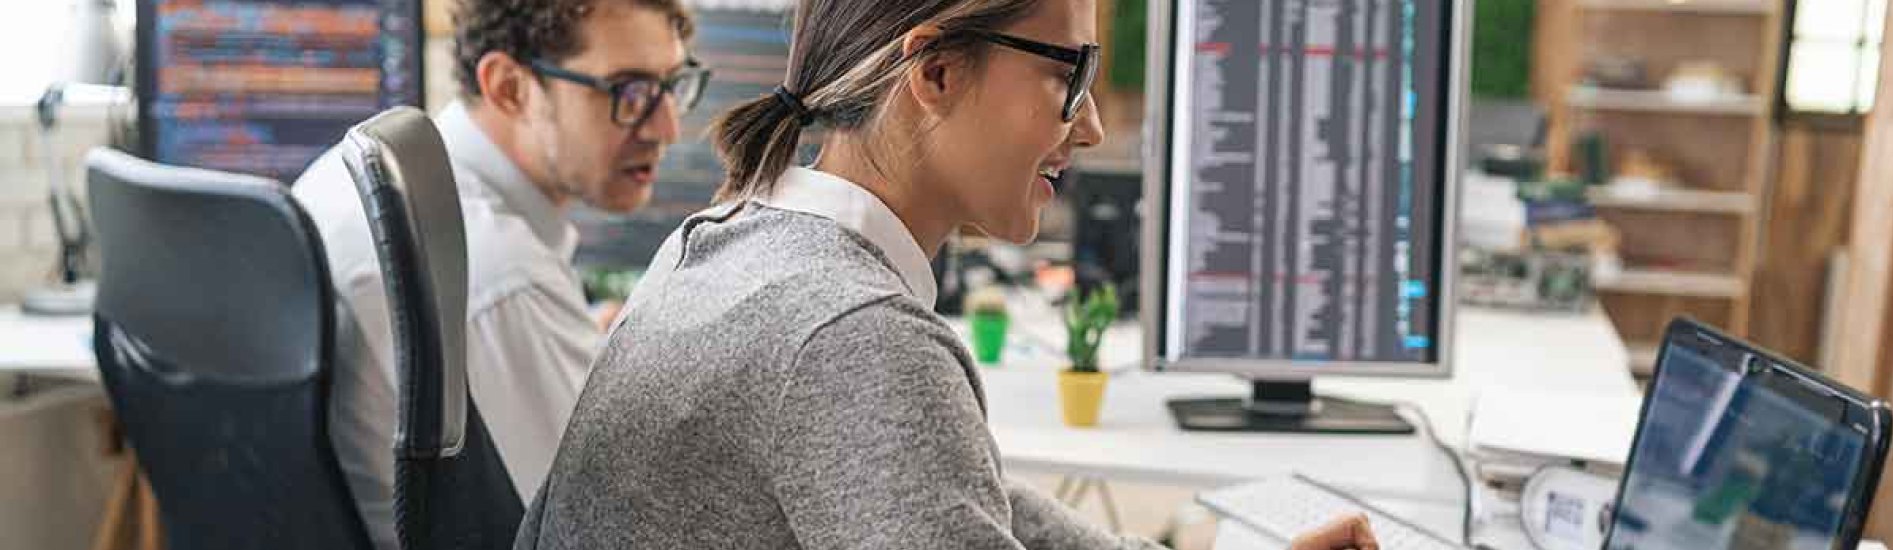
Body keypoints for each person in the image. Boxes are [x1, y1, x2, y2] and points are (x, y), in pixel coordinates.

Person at [516, 0, 1382, 548]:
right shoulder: (849, 338)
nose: (1086, 130)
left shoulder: (728, 234)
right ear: (931, 70)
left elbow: (972, 505)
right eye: (1067, 76)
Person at [290, 0, 706, 547]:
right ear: (510, 88)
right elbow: (612, 531)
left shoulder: (366, 172)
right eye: (628, 91)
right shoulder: (506, 282)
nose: (667, 127)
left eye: (672, 84)